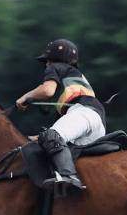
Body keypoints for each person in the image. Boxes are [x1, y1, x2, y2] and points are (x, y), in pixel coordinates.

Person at [16, 39, 106, 196]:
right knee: (52, 140)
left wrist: (25, 97)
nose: (46, 65)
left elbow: (47, 91)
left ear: (51, 60)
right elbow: (53, 140)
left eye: (46, 61)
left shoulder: (56, 67)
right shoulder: (77, 79)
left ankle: (68, 177)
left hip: (84, 112)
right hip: (97, 124)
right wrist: (25, 140)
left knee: (52, 136)